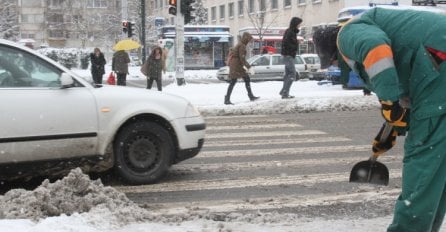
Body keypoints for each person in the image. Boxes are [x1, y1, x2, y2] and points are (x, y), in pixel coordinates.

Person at [313, 8, 446, 232]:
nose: (336, 67)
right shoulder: (383, 27)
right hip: (435, 70)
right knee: (438, 162)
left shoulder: (347, 34)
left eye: (333, 63)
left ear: (333, 52)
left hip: (437, 65)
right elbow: (401, 74)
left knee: (423, 157)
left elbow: (376, 50)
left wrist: (389, 100)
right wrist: (393, 124)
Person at [224, 32, 259, 105]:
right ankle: (227, 99)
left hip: (236, 64)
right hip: (236, 66)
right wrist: (249, 67)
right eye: (249, 40)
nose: (250, 42)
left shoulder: (240, 44)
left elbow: (241, 58)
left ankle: (250, 96)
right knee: (234, 81)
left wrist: (246, 67)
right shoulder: (242, 46)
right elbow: (242, 59)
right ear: (246, 39)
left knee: (245, 79)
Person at [279, 17, 302, 99]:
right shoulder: (290, 32)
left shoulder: (290, 31)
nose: (300, 25)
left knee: (288, 75)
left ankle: (284, 91)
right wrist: (296, 44)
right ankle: (284, 92)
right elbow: (286, 44)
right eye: (299, 23)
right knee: (292, 74)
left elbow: (286, 43)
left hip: (287, 56)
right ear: (295, 24)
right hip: (288, 56)